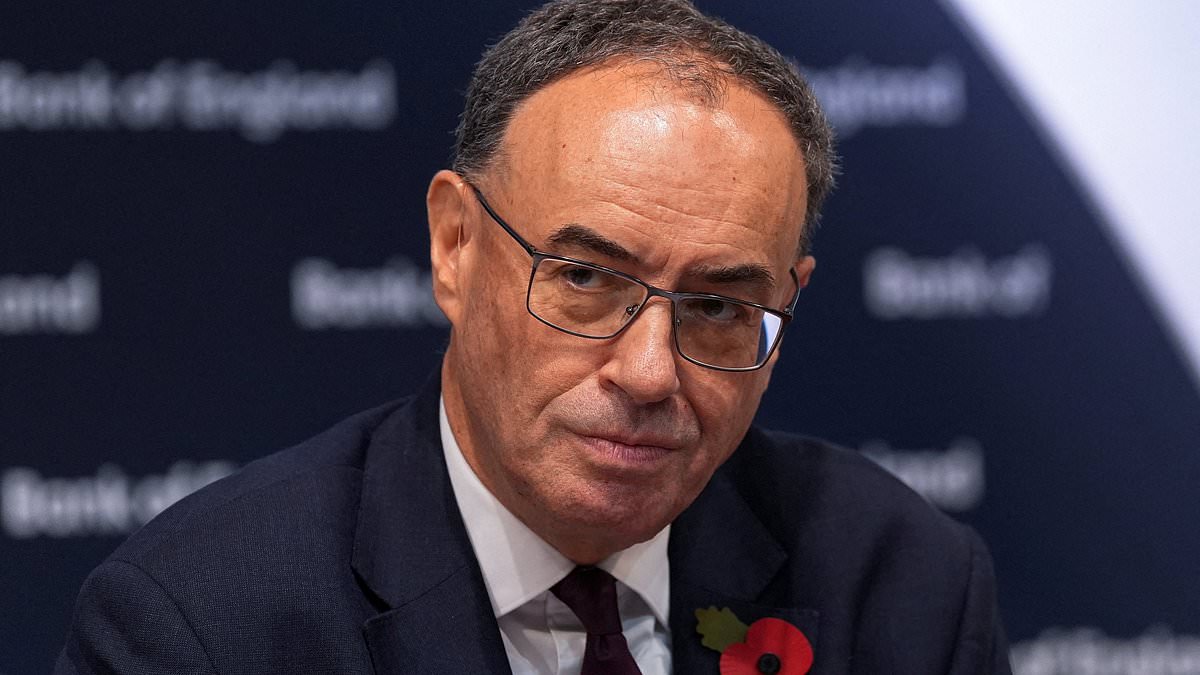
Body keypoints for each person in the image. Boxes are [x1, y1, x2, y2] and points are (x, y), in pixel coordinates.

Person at [56, 1, 1011, 673]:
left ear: (789, 304)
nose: (649, 373)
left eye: (719, 307)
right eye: (587, 279)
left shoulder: (903, 589)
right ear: (456, 246)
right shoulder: (205, 626)